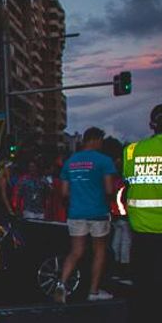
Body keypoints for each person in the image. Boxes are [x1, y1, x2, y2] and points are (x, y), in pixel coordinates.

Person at [122, 103, 162, 323]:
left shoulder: (132, 151)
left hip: (142, 230)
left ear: (152, 125)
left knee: (144, 285)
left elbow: (129, 180)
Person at [54, 127, 116, 303]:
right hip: (97, 212)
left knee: (76, 251)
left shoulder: (70, 162)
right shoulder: (104, 161)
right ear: (95, 140)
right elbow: (110, 189)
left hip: (76, 213)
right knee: (99, 251)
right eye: (101, 141)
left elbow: (64, 193)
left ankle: (62, 284)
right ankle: (94, 292)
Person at [12, 156, 50, 220]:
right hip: (28, 211)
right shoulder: (24, 180)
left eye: (33, 167)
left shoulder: (43, 180)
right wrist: (17, 209)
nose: (32, 169)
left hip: (40, 211)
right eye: (30, 167)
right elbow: (18, 195)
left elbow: (48, 195)